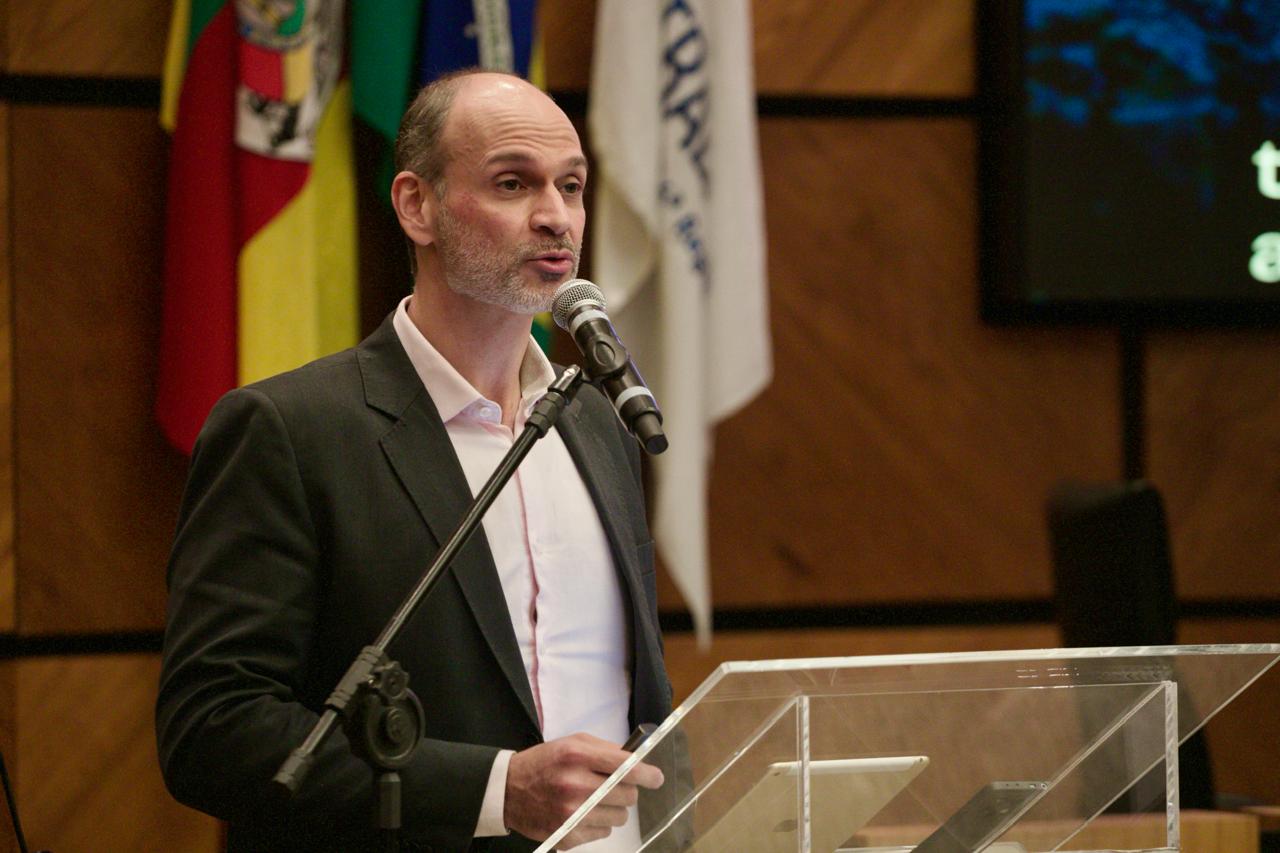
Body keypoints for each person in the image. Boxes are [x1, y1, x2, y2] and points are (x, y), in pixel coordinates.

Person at [156, 70, 672, 852]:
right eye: (513, 183)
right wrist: (497, 790)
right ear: (415, 205)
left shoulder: (595, 423)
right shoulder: (291, 433)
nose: (556, 218)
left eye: (571, 186)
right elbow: (213, 730)